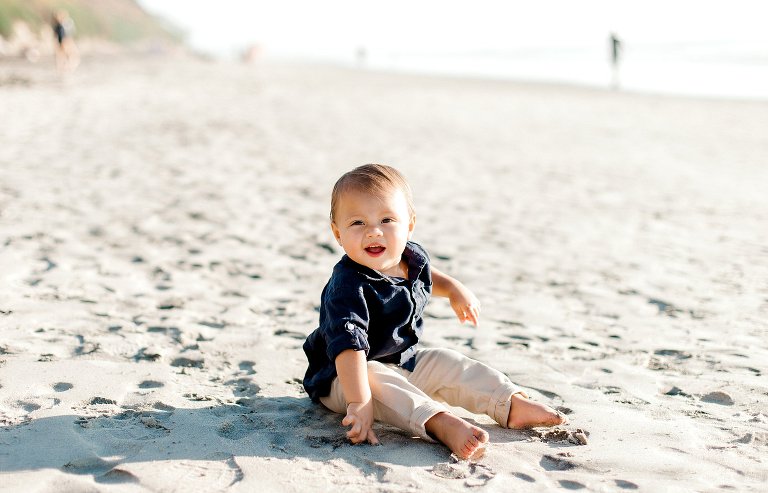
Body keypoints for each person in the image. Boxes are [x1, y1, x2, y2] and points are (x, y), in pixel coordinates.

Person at [303, 164, 566, 459]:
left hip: (402, 362)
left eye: (387, 219)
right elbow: (348, 349)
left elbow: (428, 275)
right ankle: (439, 422)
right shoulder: (347, 286)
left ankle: (508, 403)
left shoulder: (411, 258)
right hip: (343, 378)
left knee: (446, 361)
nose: (373, 231)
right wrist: (359, 402)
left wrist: (454, 289)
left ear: (409, 224)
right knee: (374, 377)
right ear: (337, 233)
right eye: (357, 223)